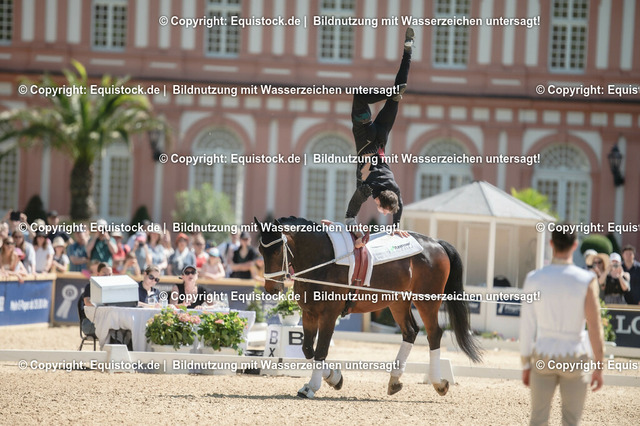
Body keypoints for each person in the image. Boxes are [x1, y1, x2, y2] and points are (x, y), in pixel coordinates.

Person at [520, 226, 604, 426]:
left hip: (543, 354)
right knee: (571, 421)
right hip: (574, 355)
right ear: (575, 245)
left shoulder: (534, 278)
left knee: (538, 419)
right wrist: (599, 366)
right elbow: (594, 326)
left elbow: (526, 325)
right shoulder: (587, 280)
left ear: (551, 244)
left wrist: (525, 364)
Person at [344, 28, 414, 247]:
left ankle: (408, 51)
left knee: (397, 93)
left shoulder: (394, 188)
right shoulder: (369, 188)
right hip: (365, 138)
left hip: (381, 136)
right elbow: (352, 208)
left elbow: (399, 203)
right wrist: (350, 221)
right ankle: (391, 92)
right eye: (380, 208)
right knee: (359, 97)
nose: (379, 210)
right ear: (377, 199)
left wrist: (396, 225)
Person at [80, 262, 112, 336]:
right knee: (113, 328)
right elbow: (87, 302)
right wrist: (104, 304)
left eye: (110, 274)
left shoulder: (113, 288)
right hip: (90, 323)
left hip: (107, 321)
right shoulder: (90, 286)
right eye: (104, 274)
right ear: (98, 274)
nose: (107, 277)